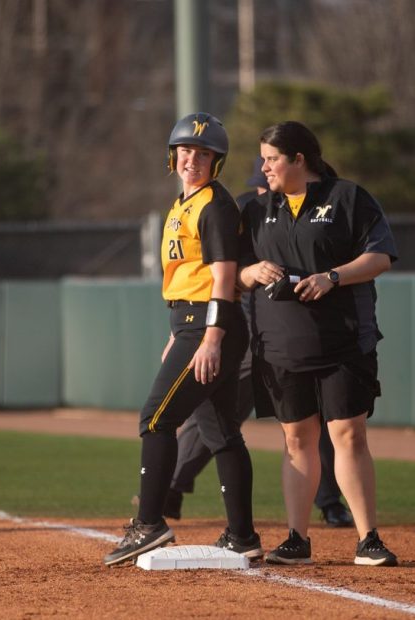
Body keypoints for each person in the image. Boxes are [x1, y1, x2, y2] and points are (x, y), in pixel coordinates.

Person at [103, 112, 262, 566]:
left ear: (216, 162)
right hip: (192, 324)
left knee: (155, 420)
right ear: (172, 156)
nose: (192, 158)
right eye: (186, 150)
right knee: (222, 433)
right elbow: (187, 280)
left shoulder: (214, 204)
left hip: (210, 324)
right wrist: (180, 334)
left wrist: (210, 336)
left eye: (203, 153)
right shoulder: (182, 205)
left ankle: (150, 524)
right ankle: (242, 536)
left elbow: (223, 278)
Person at [238, 121, 399, 567]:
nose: (264, 167)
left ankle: (368, 538)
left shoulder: (347, 197)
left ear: (298, 160)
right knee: (296, 440)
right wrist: (251, 274)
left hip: (343, 342)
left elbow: (381, 256)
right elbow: (229, 273)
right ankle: (296, 537)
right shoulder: (255, 210)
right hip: (280, 346)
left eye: (271, 159)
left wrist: (332, 277)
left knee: (348, 435)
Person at [163, 157, 353, 529]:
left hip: (301, 329)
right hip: (248, 325)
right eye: (260, 182)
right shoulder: (247, 210)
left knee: (316, 416)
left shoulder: (317, 212)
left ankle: (330, 501)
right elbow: (217, 274)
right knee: (219, 413)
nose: (264, 189)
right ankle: (171, 485)